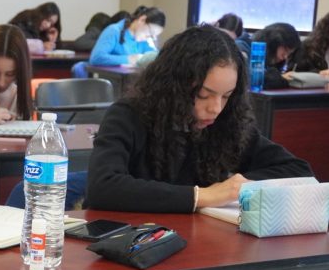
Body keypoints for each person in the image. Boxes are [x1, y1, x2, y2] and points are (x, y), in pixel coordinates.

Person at [84, 24, 313, 213]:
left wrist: (236, 186)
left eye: (226, 96)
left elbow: (298, 169)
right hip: (129, 239)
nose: (216, 108)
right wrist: (203, 195)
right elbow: (102, 187)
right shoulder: (128, 115)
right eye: (203, 95)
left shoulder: (228, 124)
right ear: (173, 86)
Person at [88, 5, 165, 66]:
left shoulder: (145, 41)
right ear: (142, 20)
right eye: (151, 33)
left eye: (154, 36)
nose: (150, 37)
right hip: (113, 79)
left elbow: (156, 58)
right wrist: (128, 59)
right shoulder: (114, 31)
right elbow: (96, 58)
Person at [250, 22, 302, 89]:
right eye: (285, 50)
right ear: (274, 43)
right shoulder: (250, 50)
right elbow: (254, 79)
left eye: (289, 53)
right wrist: (281, 78)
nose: (285, 57)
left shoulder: (275, 62)